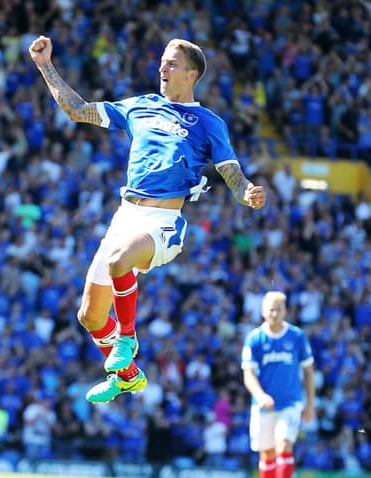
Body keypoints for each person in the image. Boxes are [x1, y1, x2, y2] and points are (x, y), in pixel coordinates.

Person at [29, 36, 266, 403]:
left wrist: (247, 192)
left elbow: (231, 173)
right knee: (90, 316)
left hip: (162, 221)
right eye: (162, 62)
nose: (162, 68)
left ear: (192, 74)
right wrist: (46, 66)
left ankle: (127, 339)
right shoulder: (140, 106)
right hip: (126, 215)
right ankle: (127, 376)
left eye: (171, 63)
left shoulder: (207, 122)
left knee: (119, 260)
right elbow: (77, 109)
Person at [241, 291, 315, 478]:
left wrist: (309, 404)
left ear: (286, 311)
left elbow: (309, 371)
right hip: (263, 405)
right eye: (271, 309)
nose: (274, 313)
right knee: (267, 453)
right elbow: (248, 374)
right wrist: (260, 395)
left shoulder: (297, 337)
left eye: (278, 309)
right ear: (263, 311)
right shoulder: (255, 339)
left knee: (284, 444)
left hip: (290, 402)